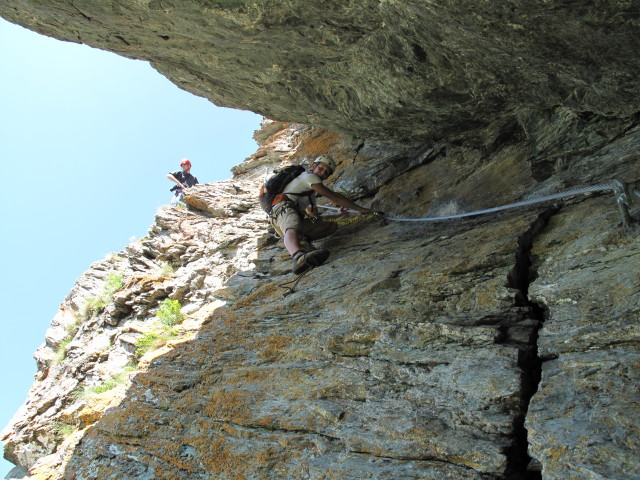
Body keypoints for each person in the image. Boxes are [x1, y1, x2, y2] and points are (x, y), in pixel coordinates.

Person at [269, 155, 372, 274]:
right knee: (292, 227)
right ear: (313, 166)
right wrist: (360, 209)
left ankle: (303, 244)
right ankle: (298, 257)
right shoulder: (309, 177)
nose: (323, 173)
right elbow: (335, 197)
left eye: (327, 172)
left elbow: (315, 218)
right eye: (321, 169)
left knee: (330, 225)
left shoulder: (310, 194)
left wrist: (337, 216)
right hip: (282, 209)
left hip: (289, 216)